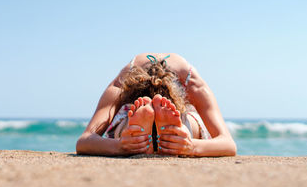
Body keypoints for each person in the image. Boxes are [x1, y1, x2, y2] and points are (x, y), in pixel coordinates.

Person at [76, 53, 236, 157]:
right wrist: (190, 146)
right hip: (178, 111)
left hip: (132, 111)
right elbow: (227, 143)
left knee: (125, 116)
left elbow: (84, 141)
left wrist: (120, 146)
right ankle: (182, 130)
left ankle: (130, 131)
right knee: (189, 118)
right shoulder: (193, 82)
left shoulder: (120, 83)